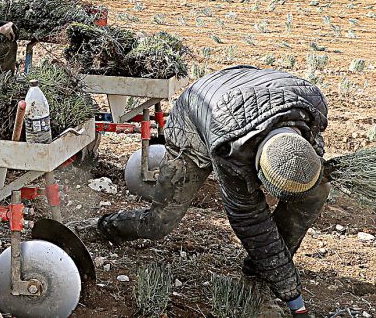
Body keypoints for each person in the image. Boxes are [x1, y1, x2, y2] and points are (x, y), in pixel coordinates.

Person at [81, 65, 328, 315]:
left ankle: (258, 277)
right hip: (196, 117)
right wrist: (293, 296)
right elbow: (251, 221)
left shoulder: (312, 106)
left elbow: (310, 159)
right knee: (159, 222)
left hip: (247, 93)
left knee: (314, 194)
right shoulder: (230, 147)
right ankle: (103, 226)